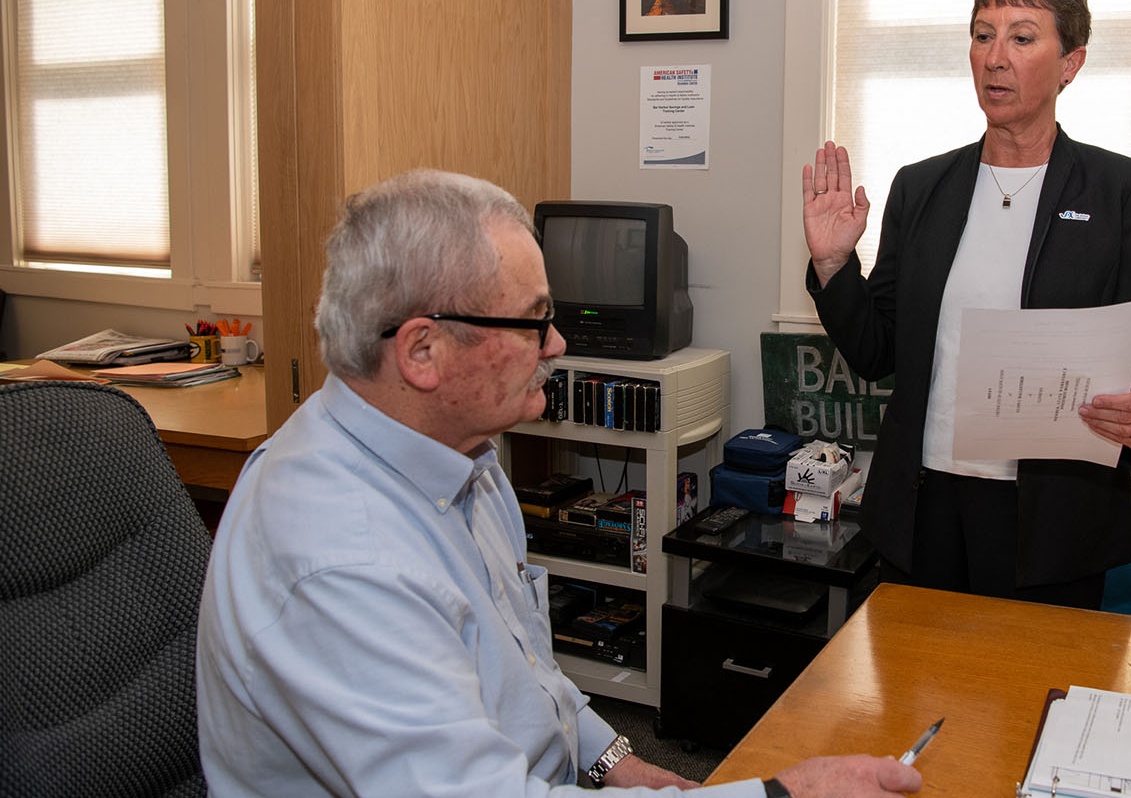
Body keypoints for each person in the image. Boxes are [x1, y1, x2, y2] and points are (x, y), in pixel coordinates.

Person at [195, 169, 921, 798]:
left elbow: (525, 668)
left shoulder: (464, 461)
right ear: (422, 349)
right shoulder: (338, 559)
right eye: (535, 322)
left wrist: (614, 760)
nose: (558, 345)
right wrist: (783, 792)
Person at [801, 0, 1131, 608]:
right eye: (982, 34)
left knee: (1036, 701)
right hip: (924, 506)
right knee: (913, 699)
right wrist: (834, 265)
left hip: (1053, 518)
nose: (995, 57)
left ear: (1070, 63)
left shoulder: (1120, 190)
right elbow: (875, 351)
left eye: (1022, 37)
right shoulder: (921, 187)